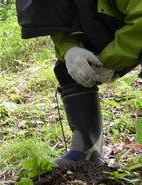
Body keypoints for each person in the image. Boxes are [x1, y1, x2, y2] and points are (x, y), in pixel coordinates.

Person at [16, 0, 142, 167]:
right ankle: (87, 152)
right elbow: (58, 25)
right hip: (115, 22)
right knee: (70, 69)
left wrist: (111, 61)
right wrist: (69, 50)